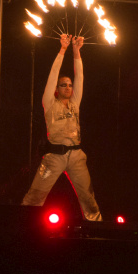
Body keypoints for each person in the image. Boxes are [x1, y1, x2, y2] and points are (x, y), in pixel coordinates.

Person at [22, 33, 101, 221]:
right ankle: (23, 226)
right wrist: (63, 49)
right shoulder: (49, 102)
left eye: (69, 85)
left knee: (89, 198)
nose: (68, 87)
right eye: (63, 85)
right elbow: (52, 76)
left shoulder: (74, 103)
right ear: (56, 89)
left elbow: (80, 77)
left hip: (76, 157)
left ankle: (97, 231)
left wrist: (76, 51)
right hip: (54, 157)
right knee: (35, 196)